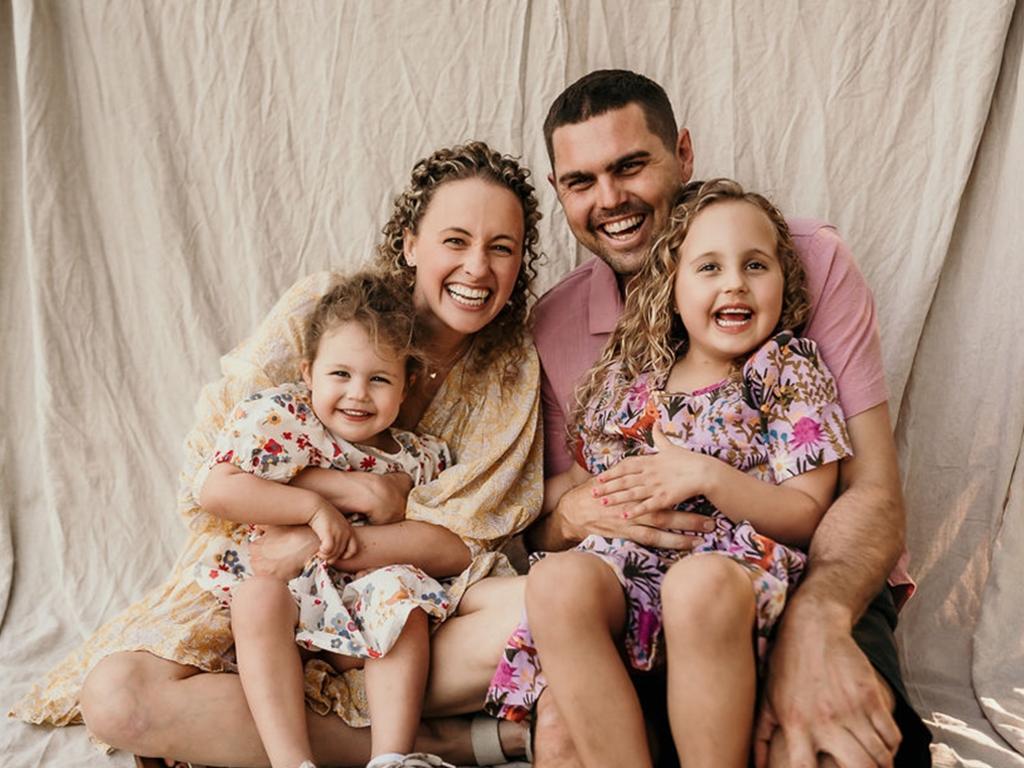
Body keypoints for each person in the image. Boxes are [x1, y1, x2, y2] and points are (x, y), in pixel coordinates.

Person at [11, 141, 541, 768]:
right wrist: (341, 496)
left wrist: (331, 544)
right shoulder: (324, 310)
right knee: (119, 699)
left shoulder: (510, 372)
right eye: (455, 240)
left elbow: (464, 538)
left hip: (402, 598)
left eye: (501, 247)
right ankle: (444, 742)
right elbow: (212, 467)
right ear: (409, 243)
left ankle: (257, 738)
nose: (477, 268)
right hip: (261, 570)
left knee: (549, 605)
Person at [523, 70, 931, 767]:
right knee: (563, 730)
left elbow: (867, 491)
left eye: (630, 166)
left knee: (823, 745)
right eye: (580, 180)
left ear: (683, 153)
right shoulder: (560, 327)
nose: (610, 199)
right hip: (636, 585)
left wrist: (817, 620)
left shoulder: (804, 264)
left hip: (793, 574)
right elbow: (548, 510)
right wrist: (582, 512)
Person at [487, 178, 853, 768]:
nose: (734, 281)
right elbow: (582, 481)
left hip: (729, 574)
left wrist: (706, 475)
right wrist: (549, 511)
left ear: (784, 283)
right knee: (557, 584)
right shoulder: (635, 384)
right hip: (632, 567)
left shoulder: (784, 370)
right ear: (672, 290)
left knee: (696, 585)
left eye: (755, 265)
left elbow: (809, 513)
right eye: (709, 267)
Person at [195, 272, 465, 768]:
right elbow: (216, 488)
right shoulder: (285, 421)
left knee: (403, 598)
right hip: (287, 606)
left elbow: (450, 540)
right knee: (256, 595)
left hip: (364, 612)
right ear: (308, 373)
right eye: (340, 374)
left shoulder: (420, 460)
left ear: (405, 388)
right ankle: (291, 761)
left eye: (379, 378)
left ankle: (392, 757)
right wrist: (313, 508)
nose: (358, 394)